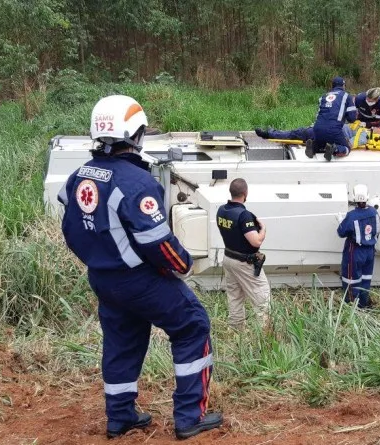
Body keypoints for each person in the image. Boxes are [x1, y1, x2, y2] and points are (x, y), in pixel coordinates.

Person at [58, 95, 222, 440]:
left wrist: (98, 260)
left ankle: (120, 417)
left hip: (102, 277)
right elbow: (158, 242)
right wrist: (184, 266)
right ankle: (190, 416)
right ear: (135, 134)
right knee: (193, 326)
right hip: (138, 279)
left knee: (122, 340)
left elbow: (70, 227)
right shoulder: (135, 182)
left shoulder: (79, 176)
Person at [216, 178, 271, 330]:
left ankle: (235, 330)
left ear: (231, 192)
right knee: (263, 299)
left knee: (235, 297)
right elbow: (256, 242)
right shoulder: (244, 215)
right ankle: (266, 336)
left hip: (228, 259)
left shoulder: (221, 210)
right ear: (245, 193)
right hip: (244, 263)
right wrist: (263, 229)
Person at [336, 184, 380, 309]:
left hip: (355, 251)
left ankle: (351, 306)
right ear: (367, 197)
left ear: (354, 197)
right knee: (366, 279)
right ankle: (363, 304)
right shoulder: (374, 212)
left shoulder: (352, 215)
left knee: (351, 280)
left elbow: (341, 232)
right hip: (370, 251)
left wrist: (340, 221)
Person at [307, 76, 358, 161]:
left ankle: (313, 147)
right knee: (347, 148)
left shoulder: (323, 96)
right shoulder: (346, 96)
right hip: (333, 129)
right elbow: (352, 118)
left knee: (323, 144)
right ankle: (335, 149)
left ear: (332, 86)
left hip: (317, 128)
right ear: (343, 86)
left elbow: (318, 114)